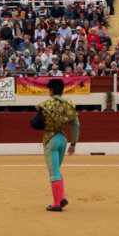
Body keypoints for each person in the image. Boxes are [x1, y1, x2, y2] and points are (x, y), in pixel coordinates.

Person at [33, 78, 79, 211]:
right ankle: (62, 198)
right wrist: (73, 144)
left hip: (50, 140)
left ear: (52, 90)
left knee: (54, 173)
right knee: (57, 171)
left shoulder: (46, 105)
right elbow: (76, 125)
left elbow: (35, 122)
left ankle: (56, 204)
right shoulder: (69, 104)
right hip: (63, 140)